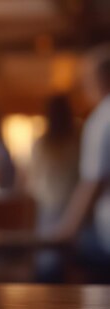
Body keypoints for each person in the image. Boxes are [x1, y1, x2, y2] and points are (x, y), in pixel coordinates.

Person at [46, 46, 110, 282]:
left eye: (86, 80)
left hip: (107, 238)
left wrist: (66, 231)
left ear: (99, 79)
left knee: (50, 266)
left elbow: (92, 183)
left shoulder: (102, 118)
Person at [29, 95, 80, 282]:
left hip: (50, 207)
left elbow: (32, 181)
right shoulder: (78, 141)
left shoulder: (42, 144)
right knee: (68, 259)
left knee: (49, 260)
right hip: (76, 205)